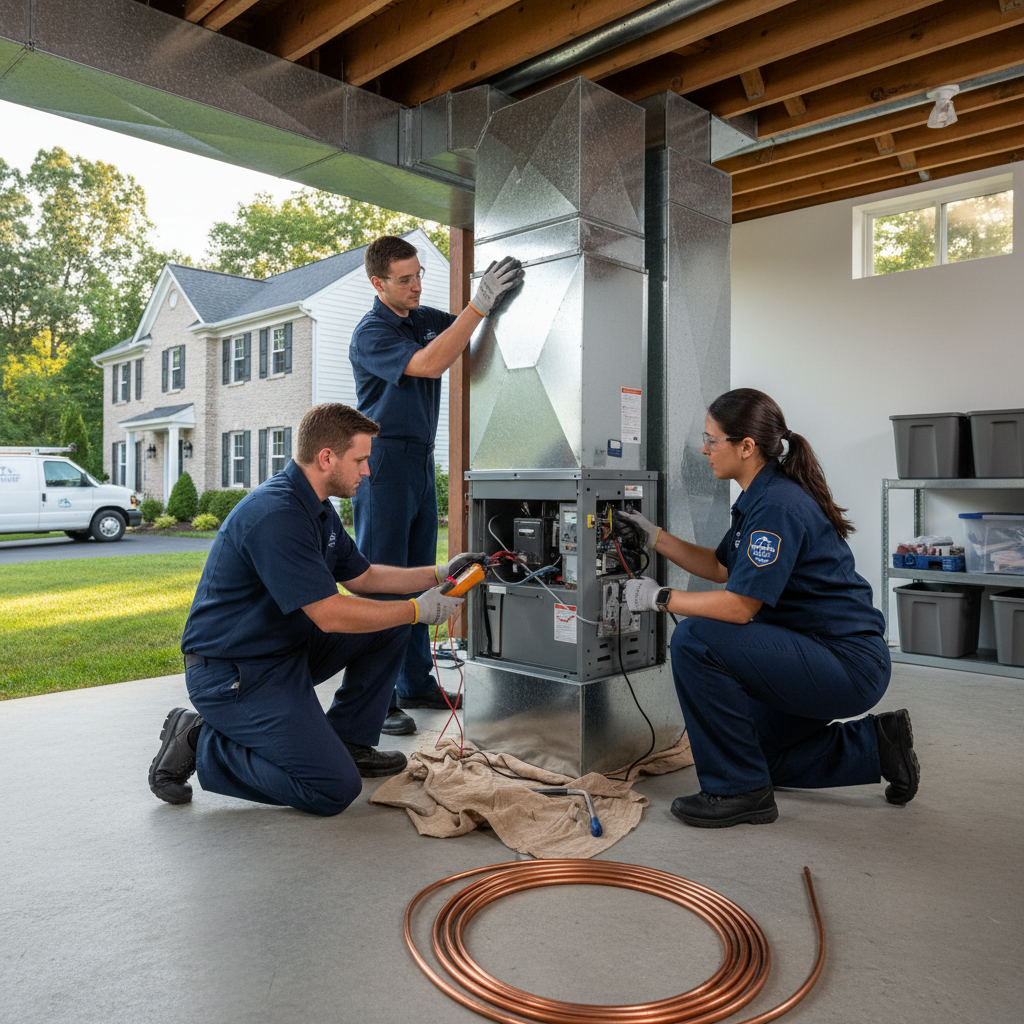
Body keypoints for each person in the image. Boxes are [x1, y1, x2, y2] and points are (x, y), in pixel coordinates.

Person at [148, 403, 478, 816]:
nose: (367, 472)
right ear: (327, 457)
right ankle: (199, 740)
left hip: (285, 652)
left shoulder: (318, 509)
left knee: (388, 623)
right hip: (232, 674)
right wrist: (417, 612)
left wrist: (438, 572)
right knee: (331, 789)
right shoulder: (277, 515)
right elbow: (331, 614)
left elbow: (364, 578)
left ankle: (349, 741)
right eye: (360, 460)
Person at [622, 388, 919, 828]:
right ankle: (877, 746)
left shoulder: (777, 505)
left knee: (694, 637)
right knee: (749, 751)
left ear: (746, 447)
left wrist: (659, 598)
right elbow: (723, 568)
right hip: (811, 652)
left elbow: (740, 607)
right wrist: (654, 537)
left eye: (712, 440)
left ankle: (737, 792)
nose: (704, 449)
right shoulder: (760, 496)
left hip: (846, 663)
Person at [348, 235, 523, 737]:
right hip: (382, 463)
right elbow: (429, 363)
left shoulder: (420, 318)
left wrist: (493, 303)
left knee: (422, 576)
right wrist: (477, 304)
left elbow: (463, 334)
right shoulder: (371, 332)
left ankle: (415, 682)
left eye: (419, 274)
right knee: (383, 581)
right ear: (377, 282)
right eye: (405, 280)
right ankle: (375, 700)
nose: (416, 285)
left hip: (420, 460)